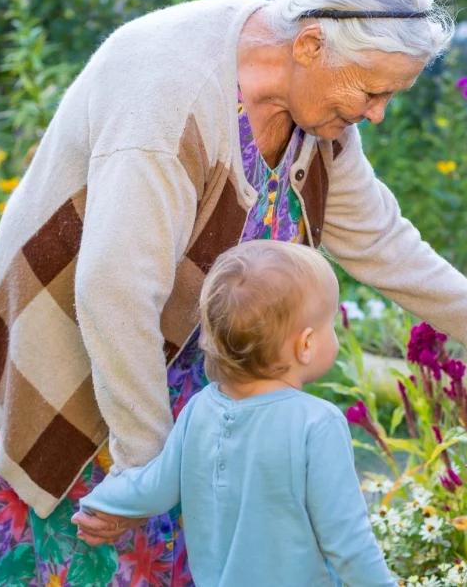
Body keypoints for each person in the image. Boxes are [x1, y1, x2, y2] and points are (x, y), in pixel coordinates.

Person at [0, 0, 467, 583]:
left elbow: (377, 236)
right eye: (373, 92)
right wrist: (147, 477)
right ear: (310, 46)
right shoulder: (171, 94)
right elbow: (114, 293)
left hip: (199, 357)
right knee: (105, 553)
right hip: (91, 346)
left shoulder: (315, 108)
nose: (378, 114)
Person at [75, 240, 395, 586]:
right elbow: (348, 542)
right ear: (305, 345)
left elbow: (155, 487)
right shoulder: (317, 424)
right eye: (329, 323)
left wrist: (100, 503)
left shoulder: (200, 409)